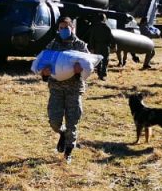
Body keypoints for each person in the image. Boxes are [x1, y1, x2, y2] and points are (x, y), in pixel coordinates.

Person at [40, 16, 88, 162]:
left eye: (66, 27)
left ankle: (68, 152)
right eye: (61, 28)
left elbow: (90, 67)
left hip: (74, 89)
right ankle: (62, 133)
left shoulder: (80, 46)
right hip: (56, 89)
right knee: (54, 121)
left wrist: (81, 69)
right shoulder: (52, 45)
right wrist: (44, 72)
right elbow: (43, 65)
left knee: (72, 122)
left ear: (72, 28)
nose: (64, 30)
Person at [90, 13, 114, 81]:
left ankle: (99, 73)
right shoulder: (107, 27)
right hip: (105, 46)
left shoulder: (94, 27)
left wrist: (92, 47)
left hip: (97, 46)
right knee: (105, 61)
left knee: (99, 60)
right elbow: (111, 38)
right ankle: (103, 75)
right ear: (104, 19)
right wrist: (113, 46)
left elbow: (91, 38)